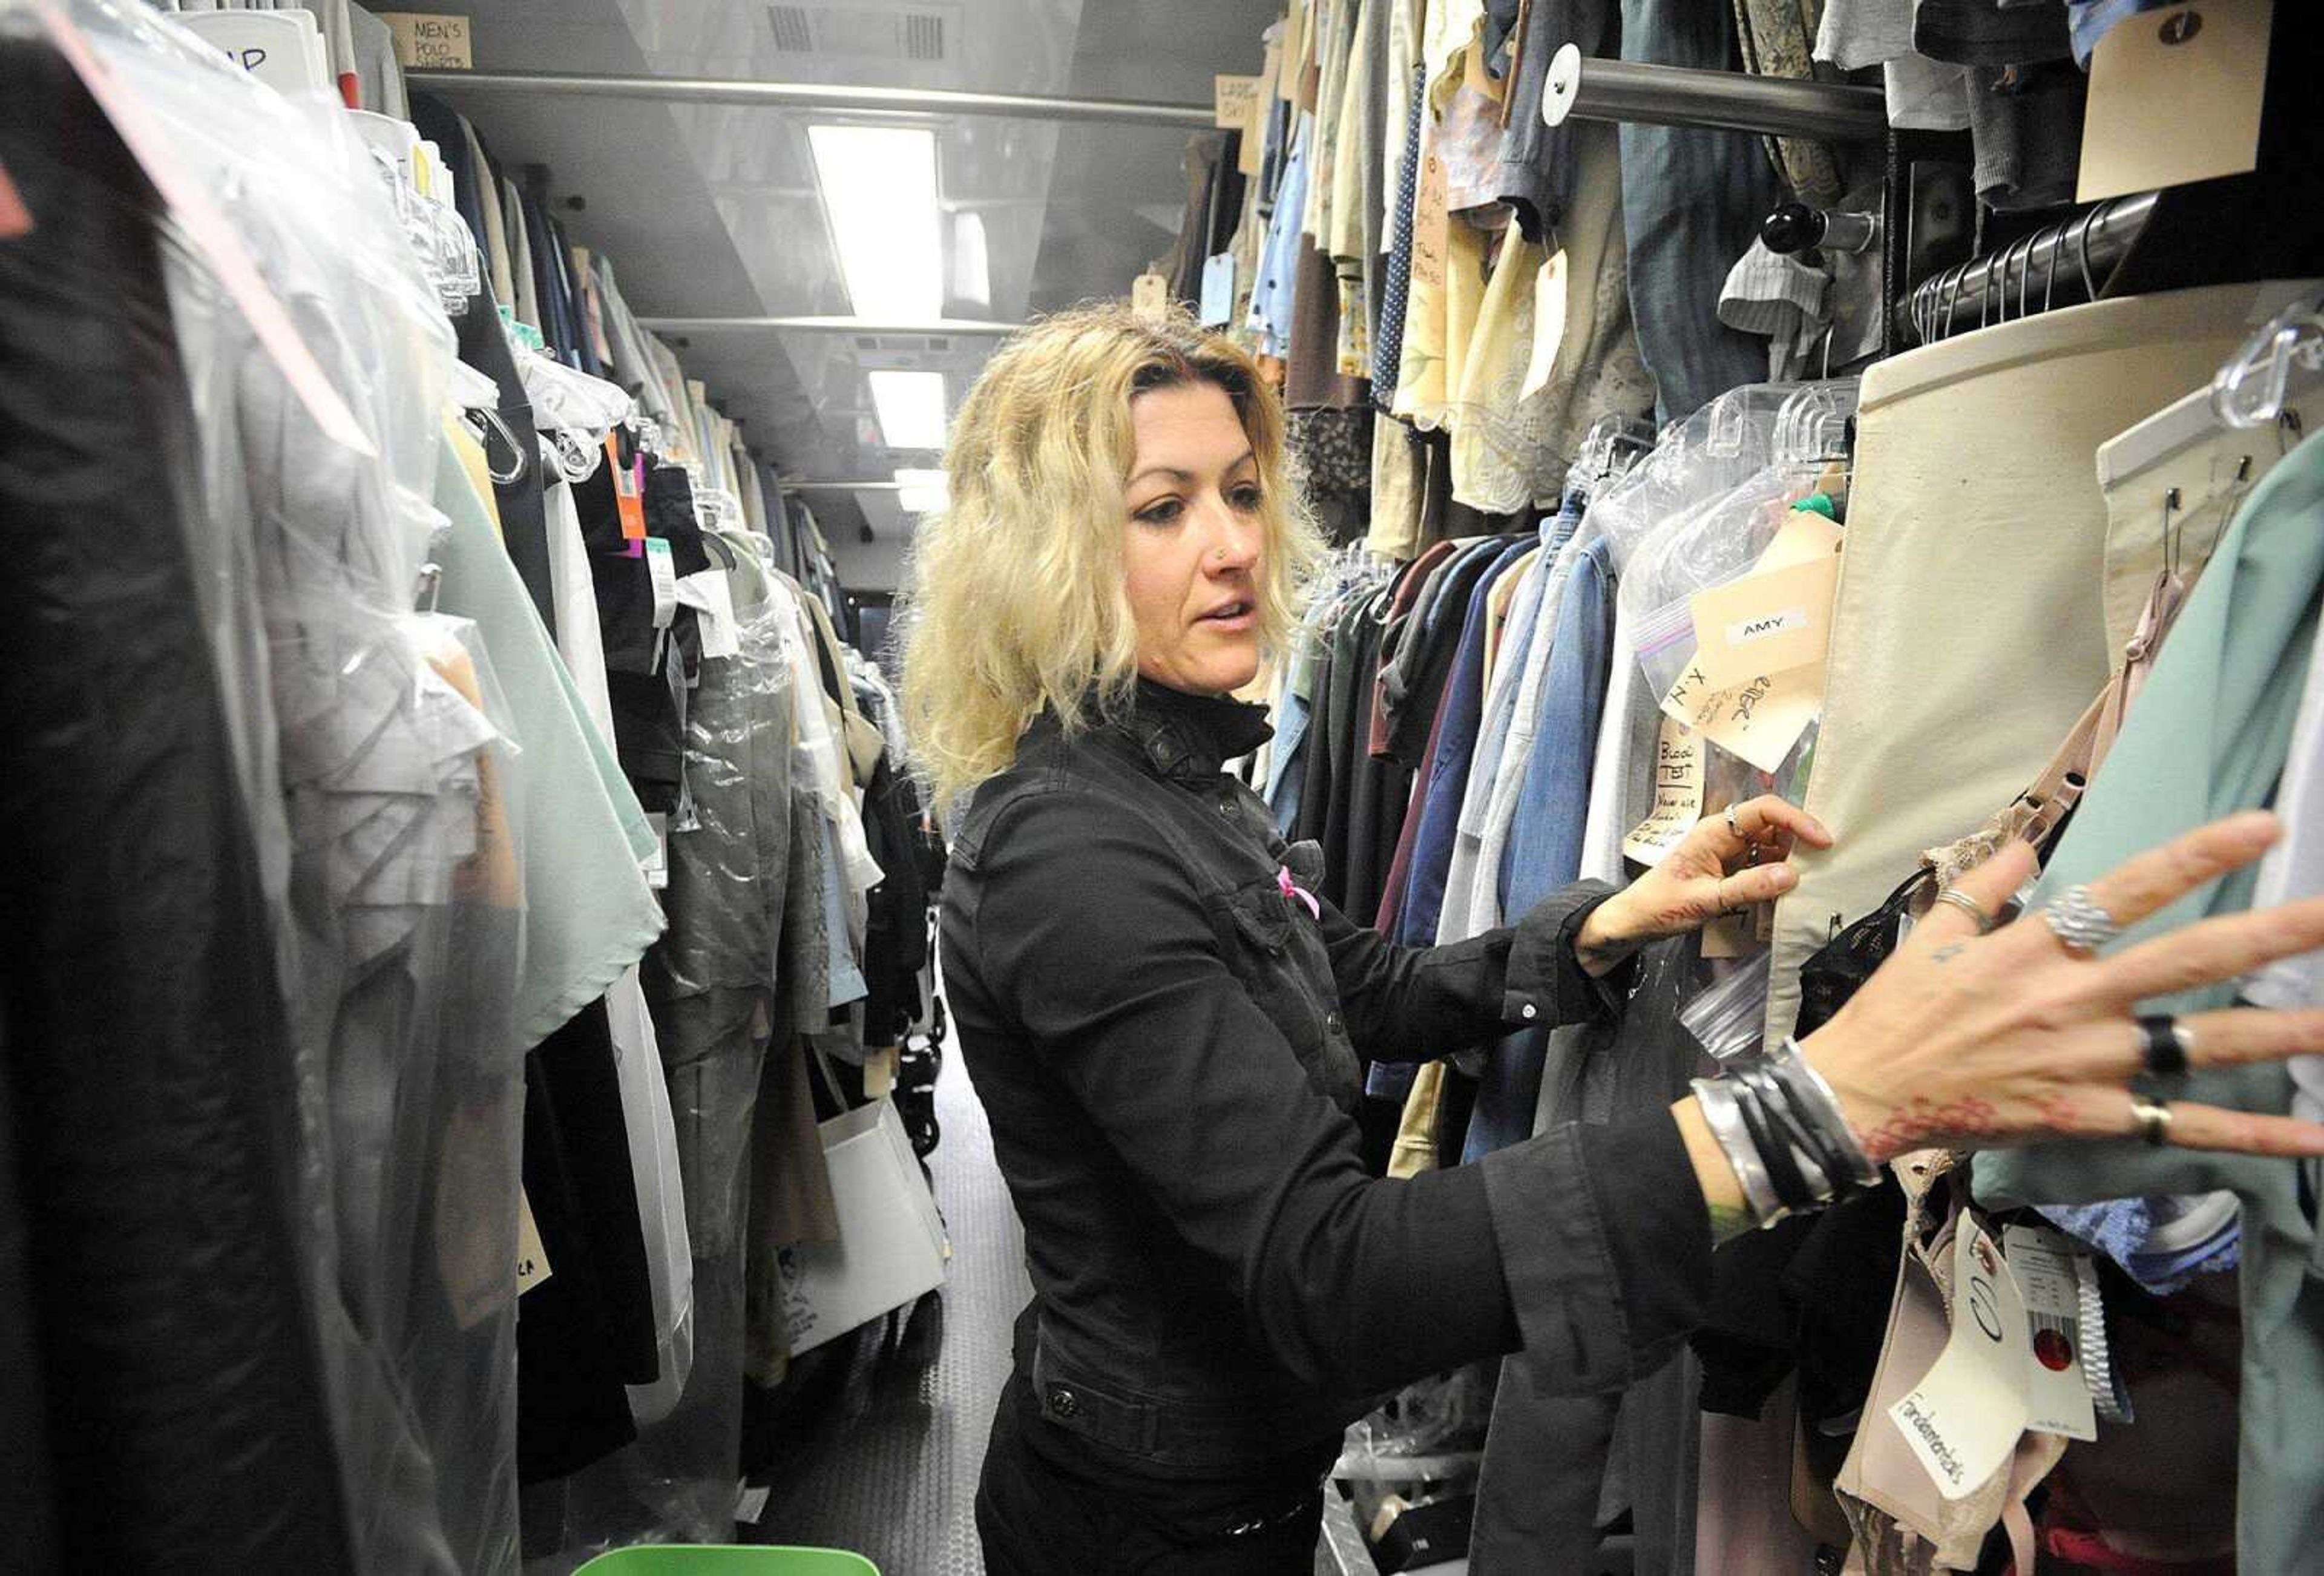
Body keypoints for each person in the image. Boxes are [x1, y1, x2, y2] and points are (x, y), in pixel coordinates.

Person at [894, 304, 2324, 1575]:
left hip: (1226, 1489)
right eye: (1162, 509)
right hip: (1148, 1526)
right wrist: (1820, 1108)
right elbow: (1333, 1279)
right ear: (1047, 554)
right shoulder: (1069, 852)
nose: (1233, 544)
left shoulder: (1168, 783)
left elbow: (1351, 984)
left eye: (1244, 492)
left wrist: (1597, 930)